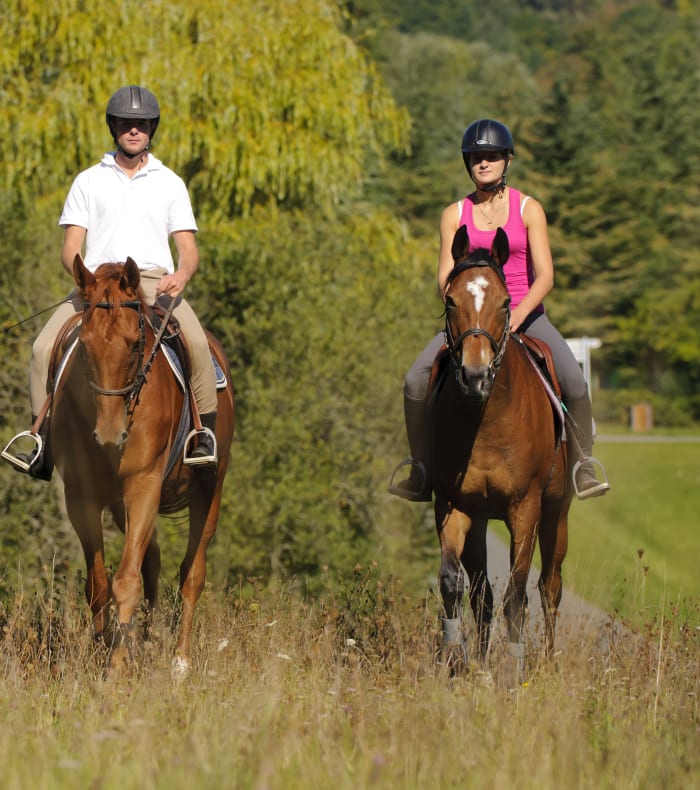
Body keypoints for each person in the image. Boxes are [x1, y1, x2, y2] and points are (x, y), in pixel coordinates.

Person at [3, 85, 218, 480]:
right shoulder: (88, 181)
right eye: (126, 124)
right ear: (113, 127)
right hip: (99, 284)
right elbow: (71, 247)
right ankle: (41, 441)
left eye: (141, 125)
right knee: (41, 348)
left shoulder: (170, 183)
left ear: (151, 129)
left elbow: (188, 249)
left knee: (200, 344)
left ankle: (202, 434)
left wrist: (182, 274)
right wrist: (84, 278)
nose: (133, 131)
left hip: (151, 281)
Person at [389, 118, 609, 502]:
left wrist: (518, 315)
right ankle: (421, 468)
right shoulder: (453, 215)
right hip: (472, 321)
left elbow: (546, 275)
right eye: (476, 157)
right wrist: (468, 315)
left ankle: (583, 465)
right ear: (467, 163)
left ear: (507, 160)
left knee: (573, 381)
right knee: (414, 380)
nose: (483, 163)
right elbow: (444, 278)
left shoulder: (529, 209)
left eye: (491, 156)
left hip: (526, 316)